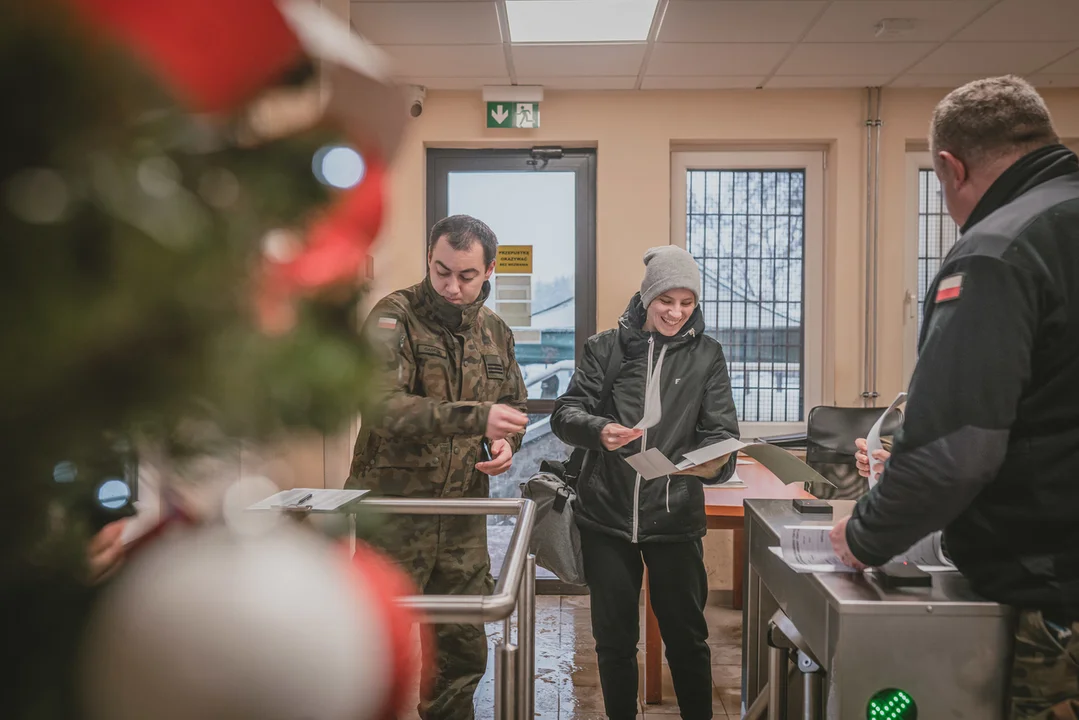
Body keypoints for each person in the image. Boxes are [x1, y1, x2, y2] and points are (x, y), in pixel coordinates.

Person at [830, 76, 1079, 719]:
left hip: (1057, 601)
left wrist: (862, 537)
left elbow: (952, 453)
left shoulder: (1000, 249)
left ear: (950, 166)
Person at [346, 214, 528, 720]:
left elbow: (513, 405)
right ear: (429, 258)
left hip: (463, 517)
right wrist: (478, 419)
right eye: (441, 270)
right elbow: (382, 406)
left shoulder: (495, 331)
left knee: (461, 652)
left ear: (489, 269)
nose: (451, 286)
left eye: (466, 276)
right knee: (374, 647)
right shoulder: (394, 317)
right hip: (395, 513)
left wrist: (506, 442)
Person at [552, 246, 740, 720]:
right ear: (647, 295)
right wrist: (599, 430)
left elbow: (721, 433)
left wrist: (711, 465)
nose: (676, 312)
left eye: (687, 303)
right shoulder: (605, 347)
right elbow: (566, 414)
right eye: (666, 301)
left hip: (675, 515)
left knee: (687, 638)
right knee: (614, 641)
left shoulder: (708, 356)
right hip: (607, 517)